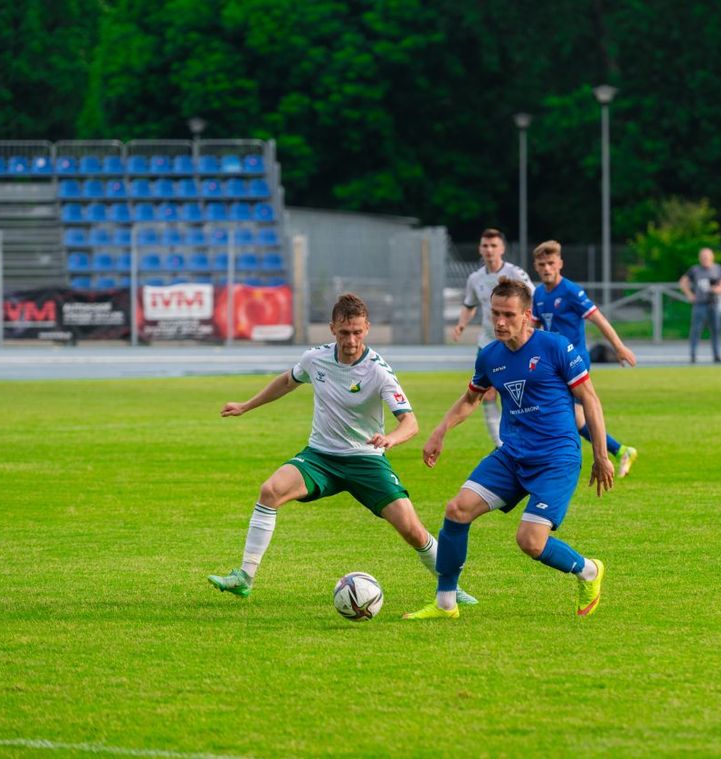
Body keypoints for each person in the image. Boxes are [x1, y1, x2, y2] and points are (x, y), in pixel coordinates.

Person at [207, 292, 475, 606]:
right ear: (333, 328)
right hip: (320, 457)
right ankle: (244, 577)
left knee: (413, 530)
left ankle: (450, 586)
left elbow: (411, 423)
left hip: (366, 461)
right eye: (345, 332)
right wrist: (246, 405)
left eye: (358, 332)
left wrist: (390, 439)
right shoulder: (315, 359)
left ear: (367, 329)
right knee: (270, 490)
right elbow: (287, 381)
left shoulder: (378, 371)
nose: (351, 340)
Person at [402, 277, 614, 620]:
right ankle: (445, 603)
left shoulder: (555, 347)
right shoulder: (490, 356)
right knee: (457, 510)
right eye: (495, 314)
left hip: (556, 458)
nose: (500, 322)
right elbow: (470, 399)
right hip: (512, 455)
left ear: (527, 315)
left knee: (530, 541)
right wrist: (439, 431)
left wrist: (601, 455)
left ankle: (588, 570)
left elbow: (589, 398)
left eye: (508, 314)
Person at [530, 240, 639, 478]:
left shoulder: (571, 291)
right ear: (536, 267)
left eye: (551, 263)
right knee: (577, 419)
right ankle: (620, 450)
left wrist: (618, 347)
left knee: (553, 410)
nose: (547, 268)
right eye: (542, 264)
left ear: (560, 263)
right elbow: (534, 328)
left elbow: (598, 318)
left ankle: (557, 463)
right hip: (551, 363)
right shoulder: (538, 294)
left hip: (574, 361)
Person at [451, 228, 534, 447]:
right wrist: (461, 324)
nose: (489, 250)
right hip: (488, 343)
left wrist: (531, 329)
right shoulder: (475, 278)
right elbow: (469, 305)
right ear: (480, 249)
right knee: (486, 395)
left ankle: (525, 436)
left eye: (493, 246)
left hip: (516, 343)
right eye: (485, 246)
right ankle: (501, 445)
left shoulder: (516, 274)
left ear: (502, 249)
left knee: (519, 391)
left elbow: (533, 300)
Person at [678, 247, 721, 364]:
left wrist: (718, 289)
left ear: (712, 257)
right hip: (700, 304)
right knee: (696, 330)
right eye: (703, 257)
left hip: (714, 304)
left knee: (716, 330)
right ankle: (693, 355)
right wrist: (689, 294)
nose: (705, 259)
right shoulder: (695, 270)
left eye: (707, 257)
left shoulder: (717, 269)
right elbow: (683, 281)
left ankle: (717, 355)